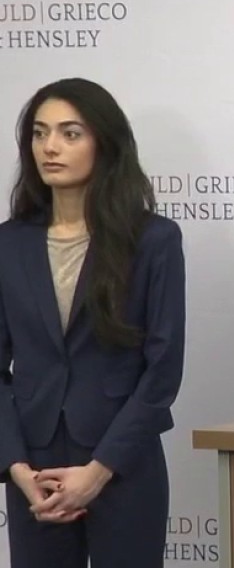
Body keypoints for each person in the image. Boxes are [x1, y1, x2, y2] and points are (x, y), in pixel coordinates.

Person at [0, 78, 186, 568]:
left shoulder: (153, 241)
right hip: (35, 471)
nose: (50, 147)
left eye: (70, 133)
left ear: (105, 143)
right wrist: (16, 468)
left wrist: (98, 471)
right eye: (40, 133)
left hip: (122, 462)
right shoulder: (8, 244)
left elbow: (162, 371)